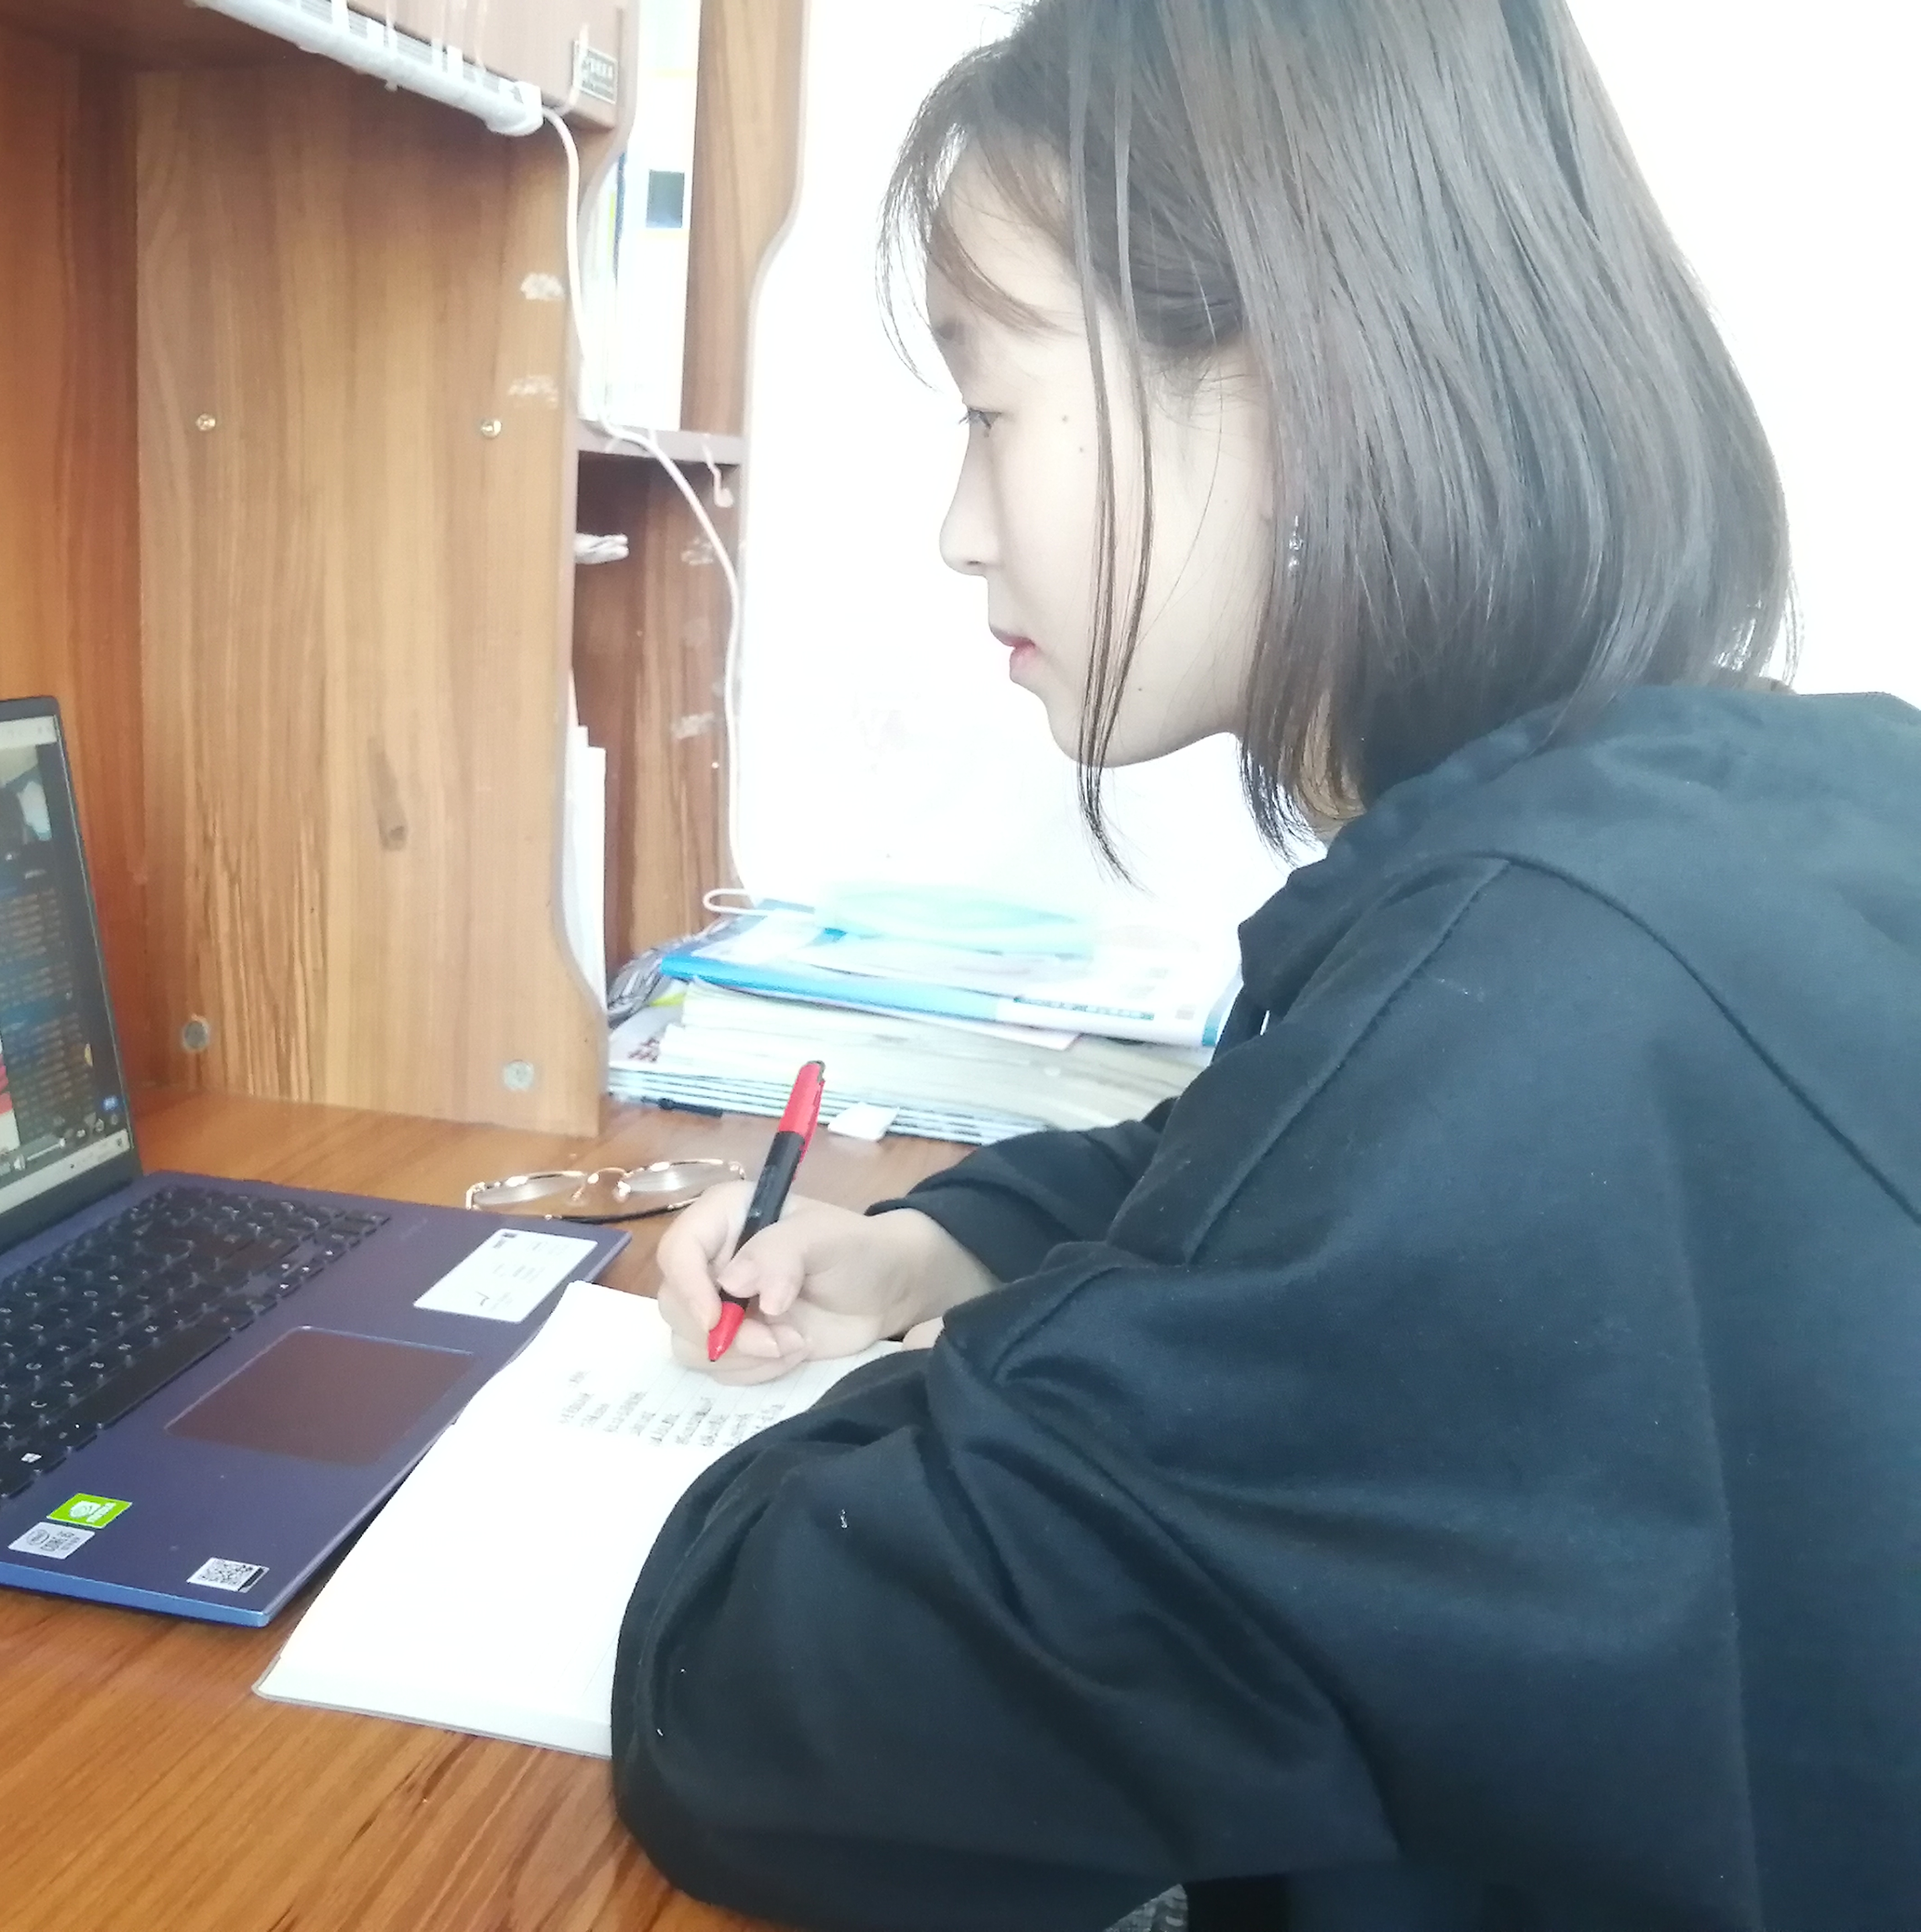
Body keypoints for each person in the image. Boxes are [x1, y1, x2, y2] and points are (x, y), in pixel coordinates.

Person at [609, 2, 1921, 1928]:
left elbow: (752, 1702)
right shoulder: (1727, 829)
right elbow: (1268, 1161)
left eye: (989, 408)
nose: (959, 530)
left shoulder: (1525, 1017)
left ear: (1303, 385)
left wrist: (956, 1378)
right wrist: (936, 1246)